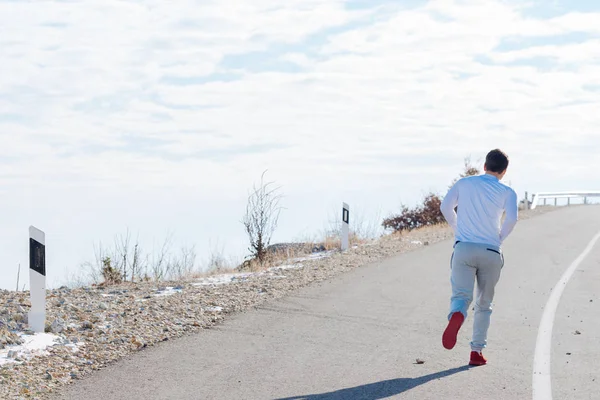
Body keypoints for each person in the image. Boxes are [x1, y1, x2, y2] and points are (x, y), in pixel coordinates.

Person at [439, 149, 518, 366]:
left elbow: (445, 207)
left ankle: (458, 314)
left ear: (484, 166)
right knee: (484, 303)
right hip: (491, 251)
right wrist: (499, 239)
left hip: (464, 248)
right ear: (503, 171)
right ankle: (476, 352)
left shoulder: (464, 183)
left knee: (461, 296)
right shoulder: (507, 192)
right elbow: (511, 219)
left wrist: (458, 229)